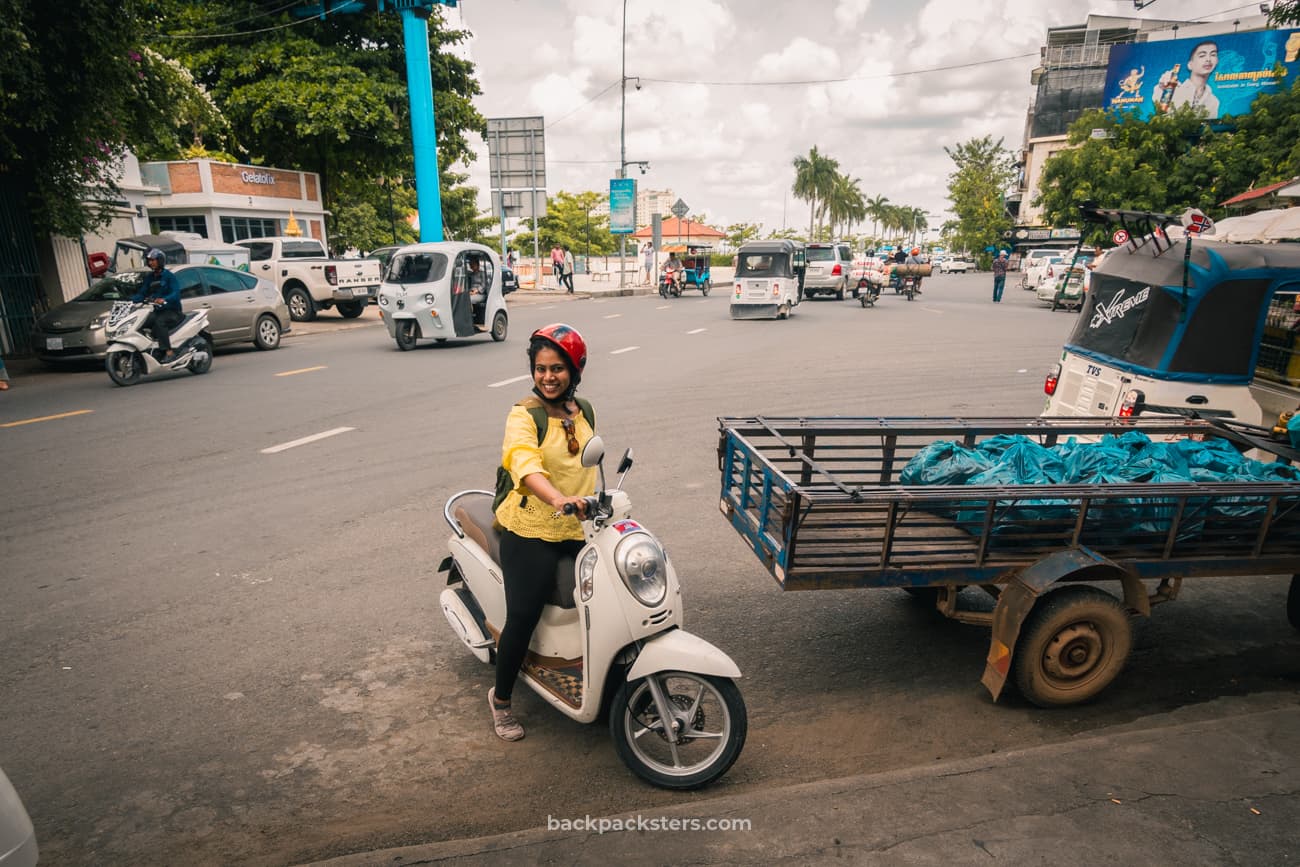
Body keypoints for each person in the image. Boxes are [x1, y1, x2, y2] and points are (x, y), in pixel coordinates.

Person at [488, 323, 596, 741]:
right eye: (540, 369)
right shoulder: (523, 414)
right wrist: (554, 498)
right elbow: (524, 463)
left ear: (575, 369)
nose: (548, 377)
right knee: (524, 616)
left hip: (577, 525)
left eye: (557, 369)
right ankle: (500, 701)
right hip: (531, 528)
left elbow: (587, 461)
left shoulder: (582, 409)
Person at [131, 248, 183, 361]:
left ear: (160, 260)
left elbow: (176, 293)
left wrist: (164, 299)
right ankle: (148, 350)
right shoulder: (150, 278)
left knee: (160, 322)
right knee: (140, 322)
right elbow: (142, 293)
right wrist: (130, 301)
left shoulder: (169, 276)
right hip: (157, 311)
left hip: (173, 312)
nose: (150, 262)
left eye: (153, 260)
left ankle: (168, 352)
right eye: (149, 260)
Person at [1153, 41, 1220, 119]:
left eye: (1213, 55)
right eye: (1202, 55)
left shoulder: (1214, 101)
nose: (1208, 59)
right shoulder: (1175, 89)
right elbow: (1159, 107)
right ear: (1190, 65)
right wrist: (1162, 88)